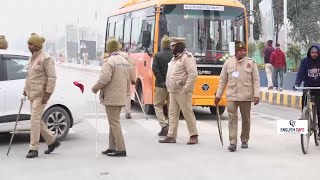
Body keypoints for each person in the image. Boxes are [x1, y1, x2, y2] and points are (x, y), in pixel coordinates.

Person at [215, 41, 260, 152]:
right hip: (232, 96)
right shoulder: (228, 63)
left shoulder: (251, 63)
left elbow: (256, 80)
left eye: (244, 50)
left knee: (246, 119)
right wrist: (218, 96)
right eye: (241, 51)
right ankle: (233, 142)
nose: (243, 52)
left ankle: (244, 140)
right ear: (236, 51)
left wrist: (256, 95)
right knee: (232, 119)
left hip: (246, 96)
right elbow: (222, 81)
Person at [23, 33, 60, 158]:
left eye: (31, 44)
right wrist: (25, 90)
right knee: (37, 120)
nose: (28, 46)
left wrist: (48, 94)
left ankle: (33, 148)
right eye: (28, 43)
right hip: (32, 94)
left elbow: (52, 77)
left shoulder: (46, 58)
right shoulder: (32, 57)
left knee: (34, 119)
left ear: (37, 45)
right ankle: (52, 141)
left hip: (41, 95)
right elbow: (30, 76)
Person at [91, 38, 130, 157]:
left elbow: (105, 78)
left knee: (114, 123)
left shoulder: (109, 61)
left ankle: (121, 149)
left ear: (108, 48)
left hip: (112, 96)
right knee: (113, 122)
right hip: (120, 96)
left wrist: (95, 88)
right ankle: (112, 147)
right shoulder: (124, 61)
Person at [159, 37, 199, 145]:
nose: (172, 48)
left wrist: (186, 89)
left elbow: (193, 74)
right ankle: (171, 135)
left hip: (182, 91)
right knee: (172, 114)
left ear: (179, 46)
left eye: (173, 46)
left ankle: (193, 135)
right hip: (173, 90)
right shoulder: (175, 58)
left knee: (187, 113)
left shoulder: (187, 57)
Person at [294, 45, 320, 134]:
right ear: (309, 53)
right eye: (312, 52)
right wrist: (297, 84)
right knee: (305, 96)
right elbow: (300, 73)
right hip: (308, 86)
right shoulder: (305, 62)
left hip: (318, 87)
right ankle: (304, 114)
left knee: (319, 109)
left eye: (316, 53)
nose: (314, 54)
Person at [152, 35, 173, 136]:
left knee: (158, 105)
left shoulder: (158, 55)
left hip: (161, 85)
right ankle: (171, 127)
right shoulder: (175, 55)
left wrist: (161, 81)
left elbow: (155, 69)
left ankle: (164, 125)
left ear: (162, 45)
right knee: (171, 107)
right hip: (173, 85)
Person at [118, 43, 136, 119]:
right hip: (126, 78)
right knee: (127, 95)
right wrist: (133, 79)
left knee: (117, 94)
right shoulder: (128, 57)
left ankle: (116, 112)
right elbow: (132, 69)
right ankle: (127, 111)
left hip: (117, 79)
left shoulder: (114, 56)